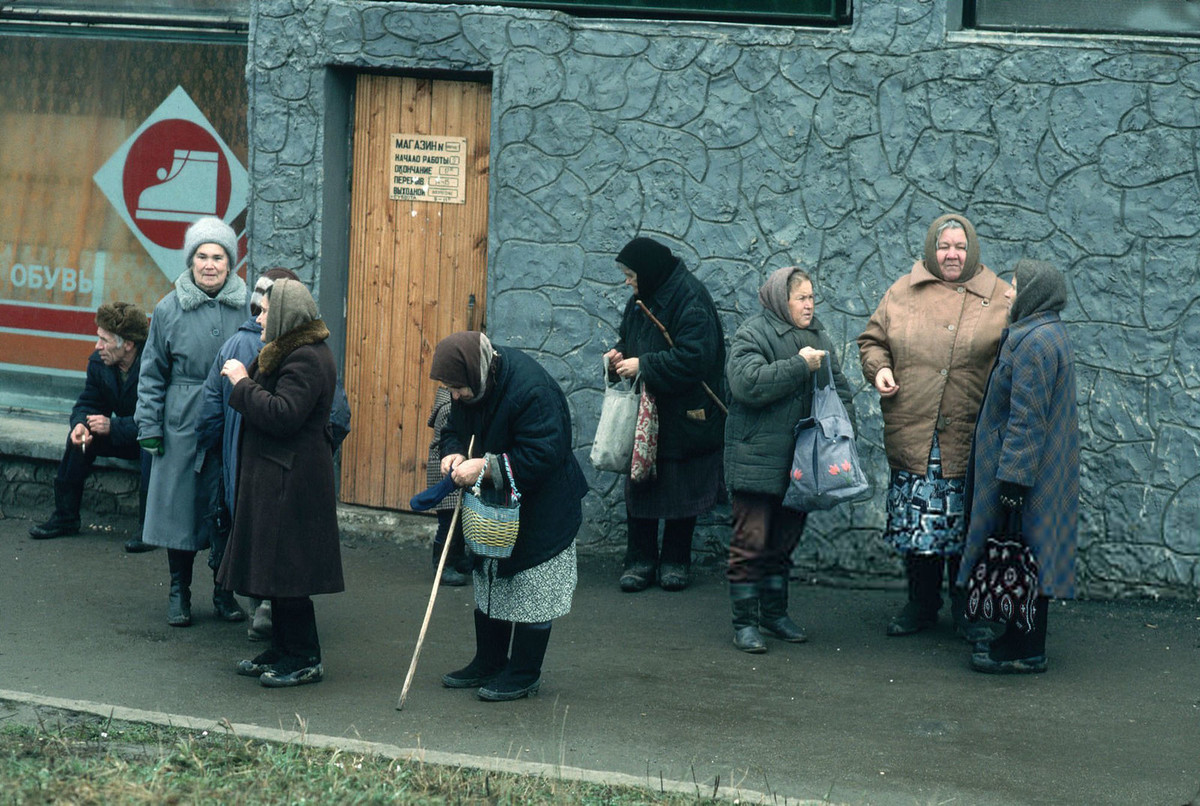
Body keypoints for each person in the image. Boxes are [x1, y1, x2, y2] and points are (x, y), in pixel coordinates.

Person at [857, 213, 1010, 640]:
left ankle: (967, 609)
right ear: (932, 249)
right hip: (916, 433)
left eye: (960, 246)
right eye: (944, 246)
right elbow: (872, 341)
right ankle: (921, 604)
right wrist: (879, 369)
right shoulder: (902, 291)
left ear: (972, 249)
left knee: (966, 526)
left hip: (969, 434)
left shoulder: (1000, 296)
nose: (952, 254)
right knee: (918, 525)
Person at [432, 331, 587, 702]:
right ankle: (488, 662)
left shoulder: (533, 391)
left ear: (477, 374)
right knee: (490, 576)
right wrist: (453, 452)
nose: (455, 396)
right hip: (495, 507)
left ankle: (523, 673)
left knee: (533, 587)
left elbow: (544, 454)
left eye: (458, 388)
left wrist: (486, 467)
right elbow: (452, 428)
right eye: (450, 389)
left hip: (544, 506)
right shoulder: (470, 384)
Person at [218, 278, 343, 688]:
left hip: (292, 481)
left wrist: (242, 383)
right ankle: (283, 649)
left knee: (290, 573)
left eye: (267, 311)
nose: (259, 318)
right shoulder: (291, 350)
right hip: (279, 477)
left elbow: (283, 414)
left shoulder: (305, 358)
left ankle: (305, 657)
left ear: (286, 315)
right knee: (277, 571)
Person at [723, 267, 856, 653]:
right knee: (750, 543)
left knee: (783, 543)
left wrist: (842, 436)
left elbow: (839, 389)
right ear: (782, 300)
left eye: (812, 297)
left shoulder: (819, 336)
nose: (809, 305)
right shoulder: (753, 333)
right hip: (756, 461)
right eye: (801, 298)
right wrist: (800, 365)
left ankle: (774, 613)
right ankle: (745, 623)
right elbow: (746, 384)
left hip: (801, 464)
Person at [958, 259, 1079, 674]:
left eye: (1014, 285)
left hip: (1026, 473)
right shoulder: (1044, 332)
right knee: (1027, 555)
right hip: (1037, 469)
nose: (1008, 292)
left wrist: (1013, 480)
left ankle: (1023, 650)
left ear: (1033, 293)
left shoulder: (1035, 342)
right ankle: (1017, 639)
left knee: (1022, 556)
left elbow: (1027, 418)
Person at [136, 216, 248, 627]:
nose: (210, 265)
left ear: (230, 262)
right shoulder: (169, 308)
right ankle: (178, 591)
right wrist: (149, 426)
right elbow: (151, 374)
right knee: (180, 508)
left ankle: (224, 591)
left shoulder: (248, 306)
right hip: (182, 420)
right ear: (191, 261)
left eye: (218, 257)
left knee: (227, 506)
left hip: (233, 416)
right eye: (202, 256)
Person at [603, 236, 726, 593]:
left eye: (630, 275)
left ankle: (675, 560)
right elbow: (627, 337)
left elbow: (696, 358)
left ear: (649, 271)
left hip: (684, 414)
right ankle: (639, 561)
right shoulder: (641, 299)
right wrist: (618, 354)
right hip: (649, 414)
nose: (628, 282)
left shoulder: (691, 299)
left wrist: (644, 364)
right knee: (641, 484)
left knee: (682, 486)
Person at [29, 302, 155, 553]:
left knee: (151, 448)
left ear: (128, 344)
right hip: (123, 434)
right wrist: (80, 425)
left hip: (150, 436)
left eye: (104, 340)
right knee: (79, 439)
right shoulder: (100, 363)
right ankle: (65, 517)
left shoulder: (154, 365)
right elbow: (87, 403)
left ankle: (150, 529)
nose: (97, 346)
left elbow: (157, 419)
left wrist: (114, 426)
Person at [425, 385, 470, 586]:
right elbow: (451, 440)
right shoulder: (448, 409)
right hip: (446, 473)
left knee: (459, 520)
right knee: (448, 522)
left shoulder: (450, 404)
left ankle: (457, 557)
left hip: (453, 470)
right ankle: (442, 566)